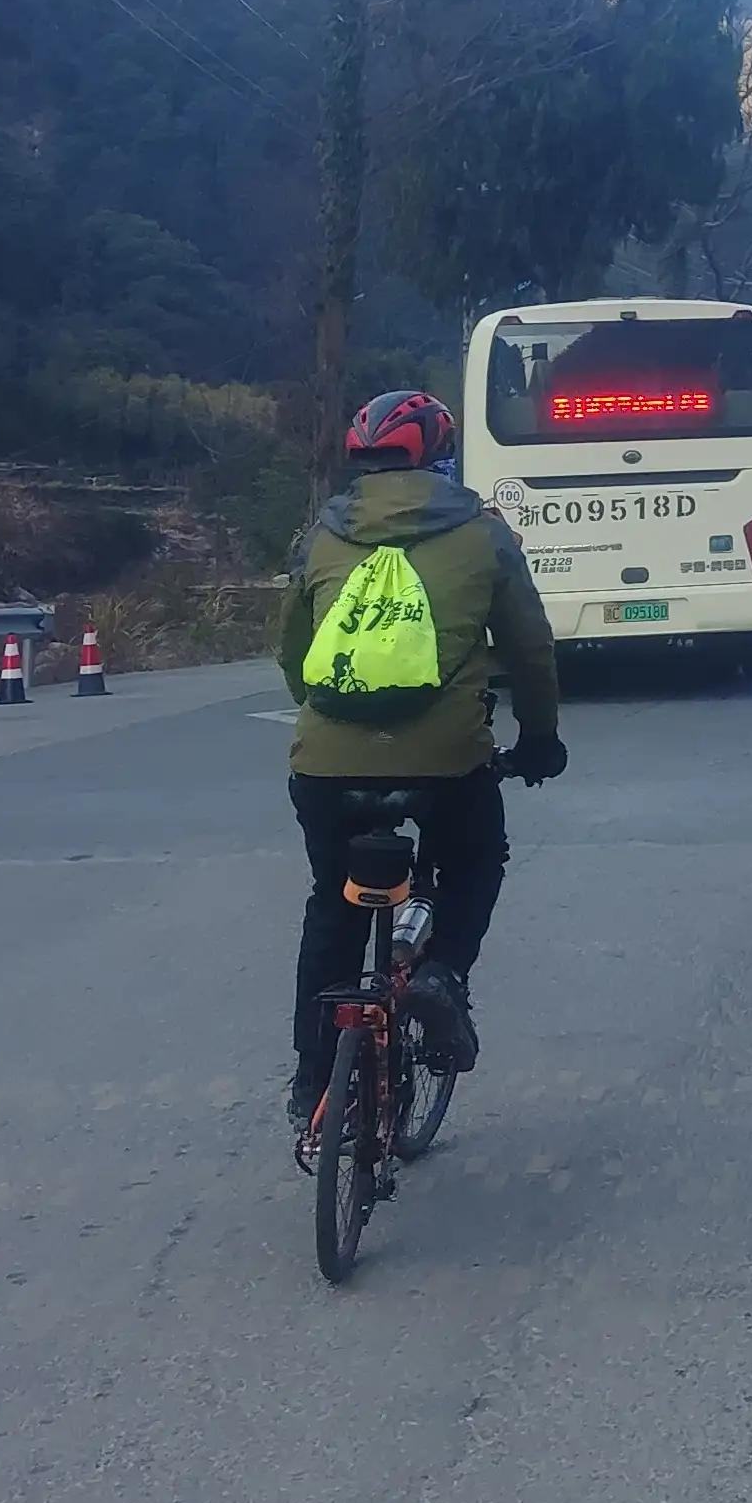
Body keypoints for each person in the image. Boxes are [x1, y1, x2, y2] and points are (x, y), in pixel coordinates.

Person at [274, 389, 568, 1160]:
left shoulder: (321, 536)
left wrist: (333, 721)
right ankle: (442, 975)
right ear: (442, 456)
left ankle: (314, 1081)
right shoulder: (484, 535)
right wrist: (540, 738)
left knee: (332, 900)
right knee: (476, 857)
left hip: (327, 763)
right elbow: (531, 651)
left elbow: (293, 655)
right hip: (446, 760)